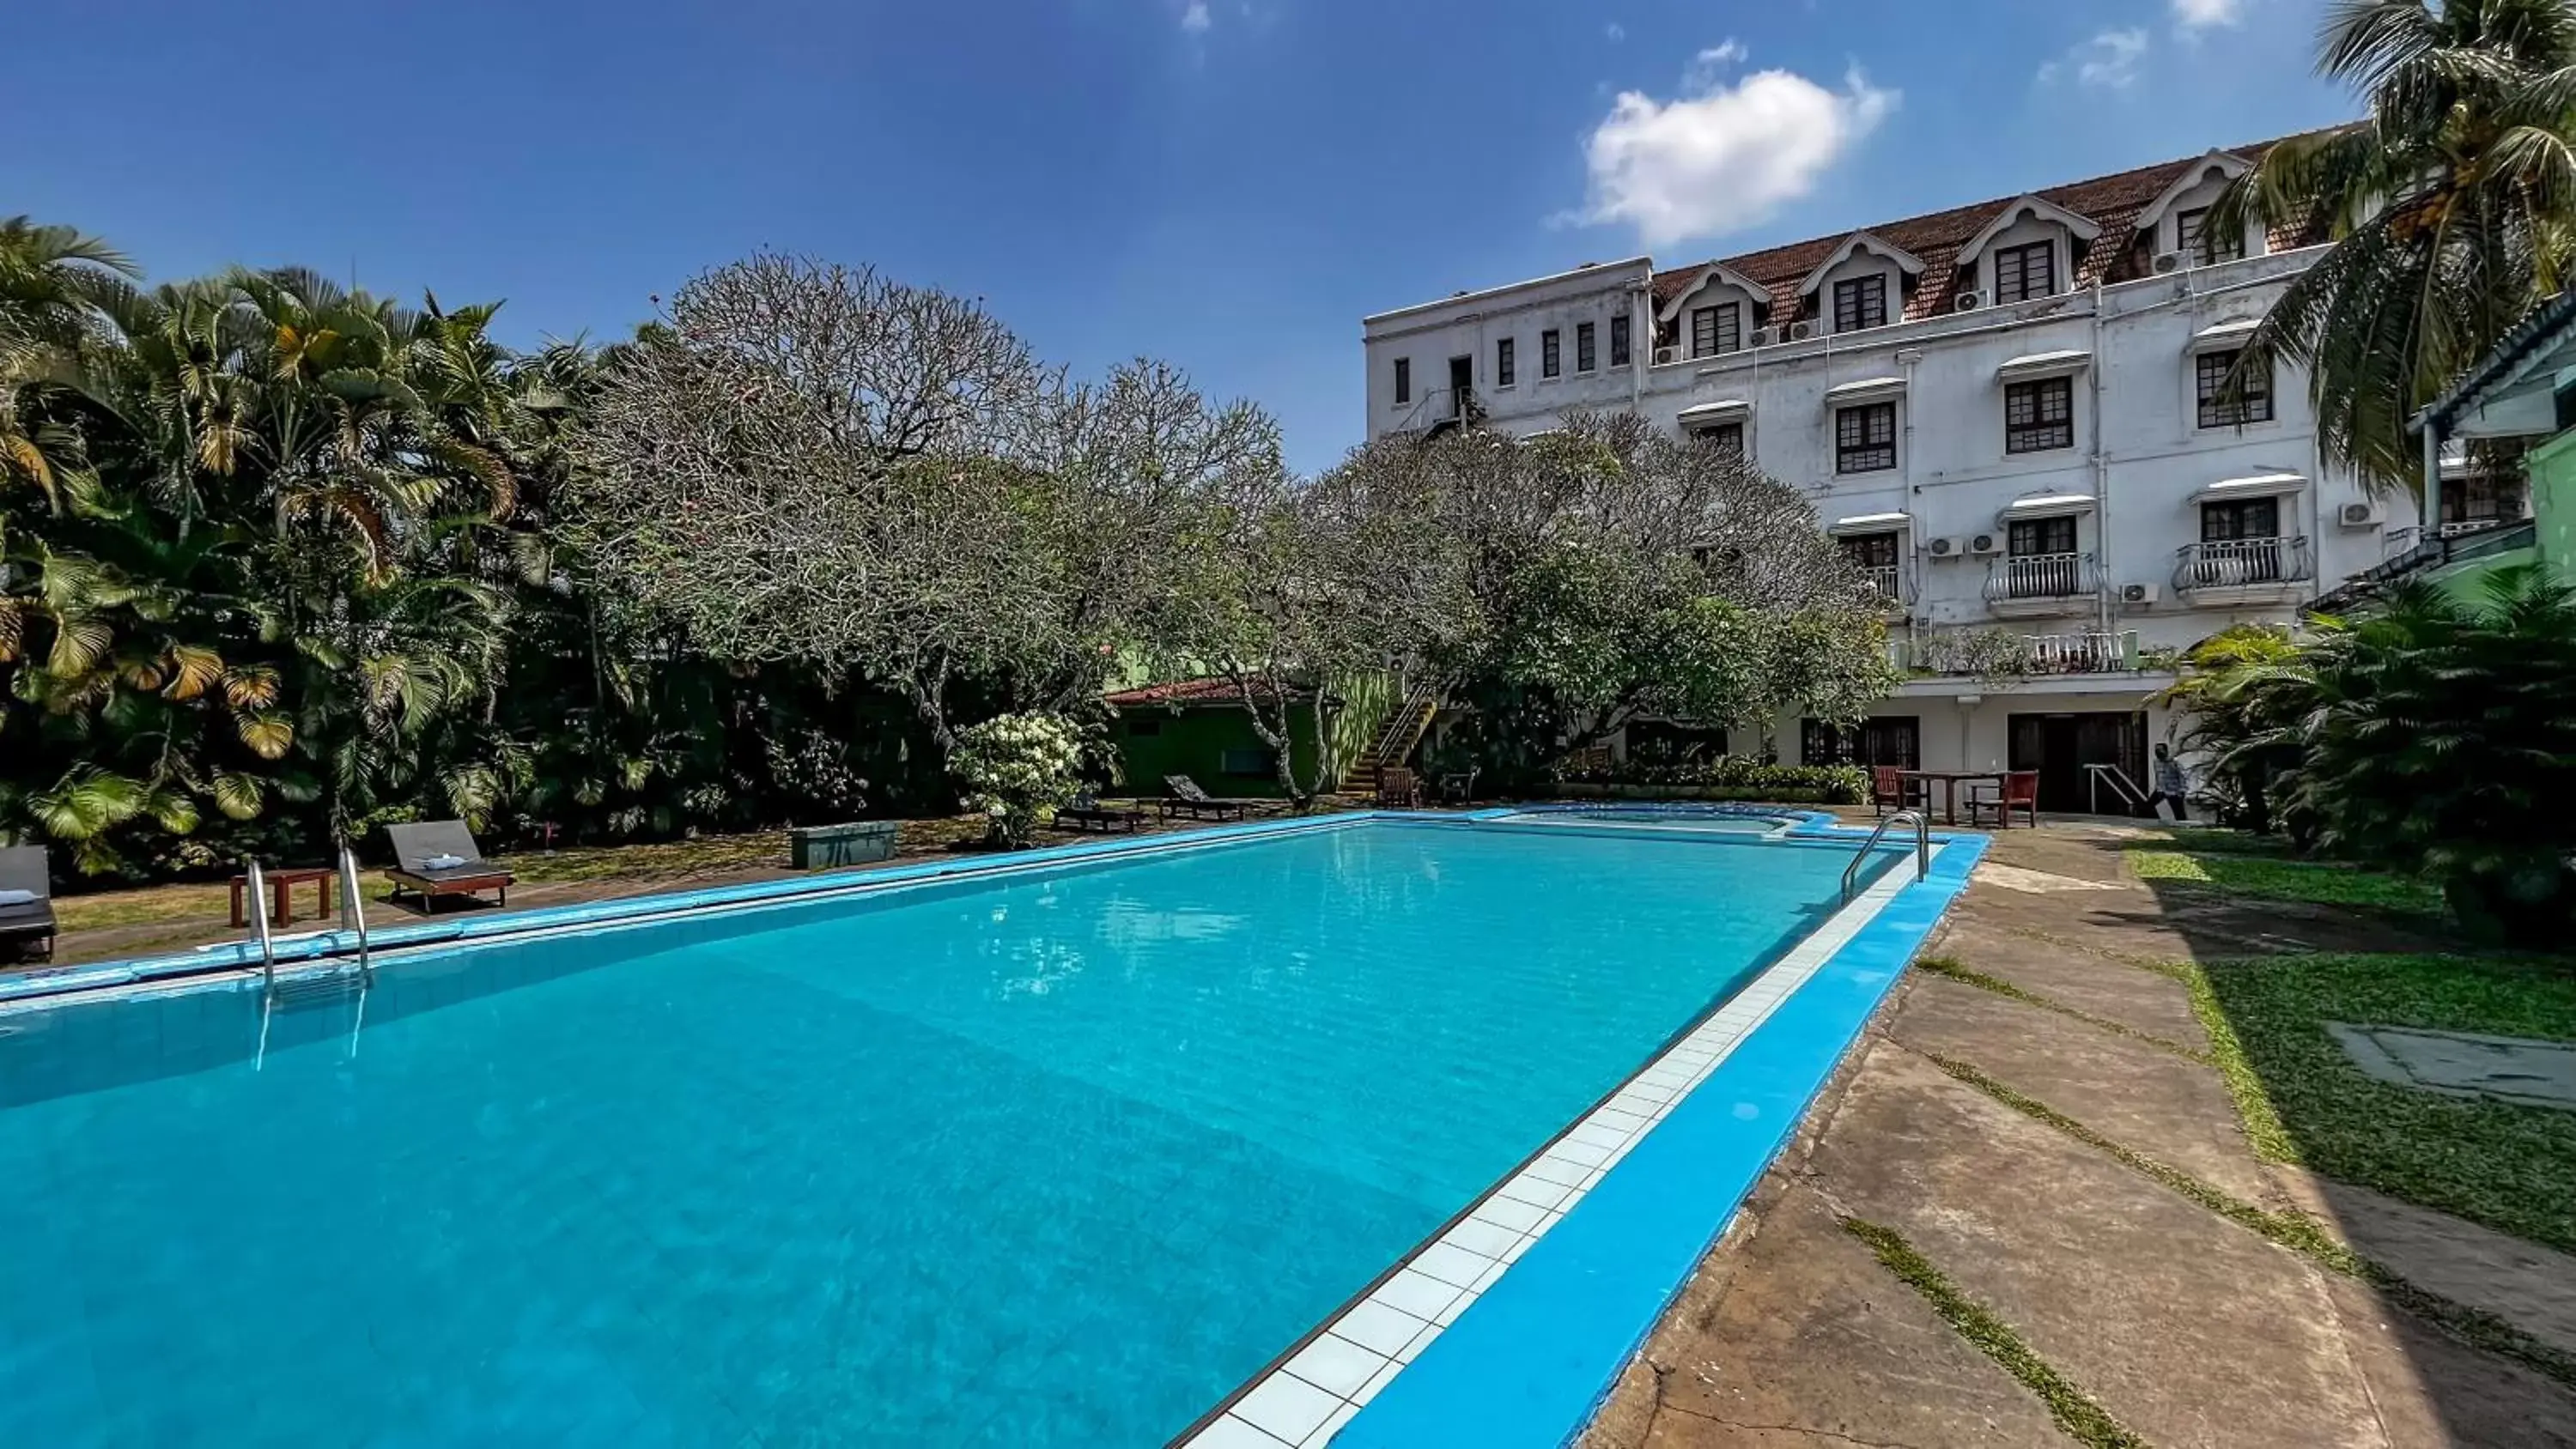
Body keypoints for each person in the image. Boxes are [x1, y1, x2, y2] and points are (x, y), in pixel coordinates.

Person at [2146, 743, 2190, 821]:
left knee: (2179, 812)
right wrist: (2158, 788)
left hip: (2174, 790)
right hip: (2162, 789)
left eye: (2160, 750)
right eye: (2156, 750)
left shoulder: (2174, 762)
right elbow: (2158, 776)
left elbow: (2182, 776)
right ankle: (2156, 821)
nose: (2157, 752)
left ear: (2166, 751)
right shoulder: (2156, 762)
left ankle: (2184, 827)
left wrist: (2182, 790)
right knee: (2148, 806)